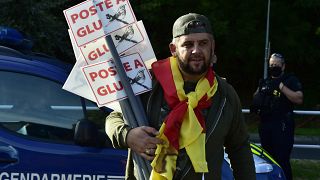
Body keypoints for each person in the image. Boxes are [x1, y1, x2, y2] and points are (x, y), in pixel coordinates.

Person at [105, 13, 256, 180]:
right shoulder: (148, 82)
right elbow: (114, 118)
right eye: (188, 44)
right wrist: (128, 135)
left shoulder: (225, 95)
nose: (196, 50)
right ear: (173, 49)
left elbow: (239, 148)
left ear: (212, 46)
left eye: (203, 43)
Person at [251, 53, 303, 180]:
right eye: (271, 65)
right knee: (268, 159)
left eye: (276, 65)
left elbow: (299, 98)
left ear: (283, 66)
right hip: (265, 125)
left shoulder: (290, 80)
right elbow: (255, 98)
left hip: (282, 126)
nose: (273, 67)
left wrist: (281, 87)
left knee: (282, 160)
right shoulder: (265, 81)